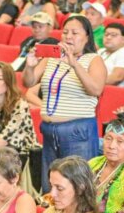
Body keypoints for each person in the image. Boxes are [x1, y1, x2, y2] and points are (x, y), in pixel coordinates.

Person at [22, 14, 105, 191]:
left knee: (76, 186)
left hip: (77, 131)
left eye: (75, 33)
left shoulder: (93, 60)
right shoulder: (51, 58)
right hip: (50, 130)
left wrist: (74, 64)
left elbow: (96, 89)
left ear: (87, 37)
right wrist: (29, 66)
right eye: (65, 32)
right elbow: (28, 82)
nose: (68, 36)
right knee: (50, 185)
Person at [100, 23, 124, 87]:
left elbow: (115, 79)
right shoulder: (101, 51)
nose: (108, 37)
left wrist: (89, 82)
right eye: (106, 34)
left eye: (113, 35)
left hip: (112, 93)